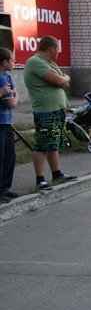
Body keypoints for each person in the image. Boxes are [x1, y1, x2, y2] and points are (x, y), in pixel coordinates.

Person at [23, 36, 77, 190]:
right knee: (42, 144)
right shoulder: (35, 62)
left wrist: (64, 78)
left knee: (54, 143)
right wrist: (64, 78)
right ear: (52, 49)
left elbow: (65, 82)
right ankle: (40, 179)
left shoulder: (50, 63)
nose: (58, 52)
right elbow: (60, 81)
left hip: (57, 109)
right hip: (45, 111)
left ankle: (57, 173)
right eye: (57, 49)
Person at [0, 47, 20, 201]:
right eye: (12, 60)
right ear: (4, 62)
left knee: (9, 156)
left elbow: (12, 95)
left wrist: (13, 94)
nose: (14, 63)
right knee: (2, 157)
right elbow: (12, 103)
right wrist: (16, 95)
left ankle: (4, 188)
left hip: (7, 121)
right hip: (1, 123)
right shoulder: (2, 79)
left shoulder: (6, 77)